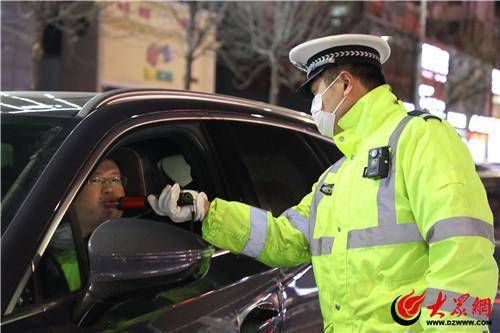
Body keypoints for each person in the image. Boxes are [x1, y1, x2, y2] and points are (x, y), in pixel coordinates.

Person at [148, 34, 497, 332]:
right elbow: (285, 240)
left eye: (318, 92)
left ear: (345, 84)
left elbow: (465, 250)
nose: (317, 106)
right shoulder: (337, 176)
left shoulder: (420, 138)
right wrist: (208, 212)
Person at [50, 159, 125, 292]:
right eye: (95, 180)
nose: (108, 188)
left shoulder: (129, 240)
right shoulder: (45, 243)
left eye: (115, 179)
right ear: (70, 193)